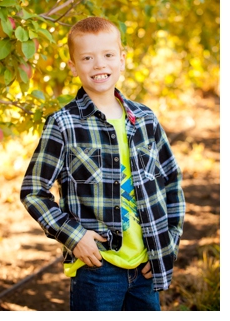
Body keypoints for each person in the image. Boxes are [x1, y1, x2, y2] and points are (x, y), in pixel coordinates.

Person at [20, 16, 184, 311]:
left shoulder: (145, 120)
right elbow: (34, 191)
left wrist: (168, 243)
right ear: (73, 66)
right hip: (97, 268)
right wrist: (74, 236)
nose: (99, 65)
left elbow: (171, 182)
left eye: (108, 55)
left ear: (122, 60)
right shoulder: (64, 124)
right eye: (87, 58)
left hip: (146, 266)